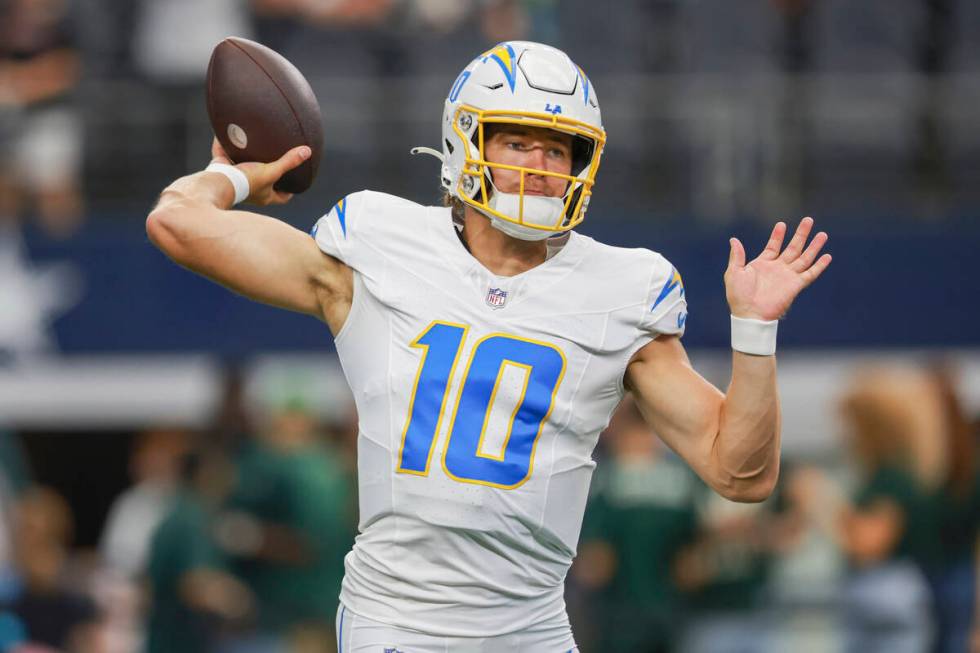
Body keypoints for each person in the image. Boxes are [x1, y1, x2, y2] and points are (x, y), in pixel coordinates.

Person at [145, 40, 831, 652]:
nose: (539, 166)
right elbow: (178, 222)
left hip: (532, 627)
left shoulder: (622, 289)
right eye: (517, 142)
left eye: (557, 148)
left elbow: (742, 474)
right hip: (399, 621)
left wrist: (755, 332)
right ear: (465, 142)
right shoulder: (379, 244)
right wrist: (236, 174)